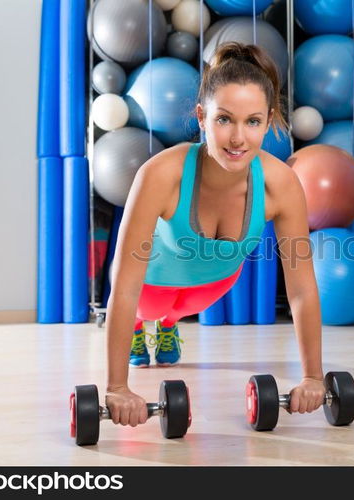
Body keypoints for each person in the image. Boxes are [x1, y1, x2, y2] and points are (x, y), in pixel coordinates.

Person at [104, 42, 326, 428]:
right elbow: (124, 284)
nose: (238, 138)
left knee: (176, 312)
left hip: (213, 286)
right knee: (152, 309)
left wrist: (313, 378)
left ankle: (169, 327)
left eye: (253, 121)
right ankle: (147, 326)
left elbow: (302, 289)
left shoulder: (281, 184)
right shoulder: (161, 173)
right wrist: (116, 386)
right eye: (224, 119)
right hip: (150, 285)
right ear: (202, 116)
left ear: (269, 120)